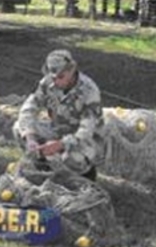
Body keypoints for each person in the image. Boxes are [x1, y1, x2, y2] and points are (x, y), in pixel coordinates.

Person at [13, 49, 105, 181]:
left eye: (61, 77)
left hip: (87, 140)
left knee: (70, 158)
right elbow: (29, 108)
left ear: (72, 70)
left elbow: (86, 132)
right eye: (53, 77)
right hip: (58, 129)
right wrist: (30, 138)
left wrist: (60, 145)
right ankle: (43, 167)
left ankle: (87, 176)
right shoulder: (47, 83)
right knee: (19, 128)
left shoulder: (89, 91)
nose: (56, 82)